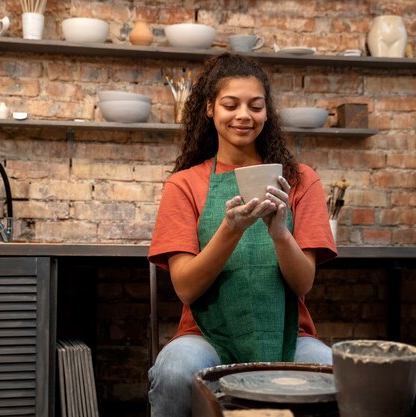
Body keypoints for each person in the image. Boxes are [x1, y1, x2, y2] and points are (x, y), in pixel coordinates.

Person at [147, 52, 337, 417]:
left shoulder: (300, 180)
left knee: (337, 376)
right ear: (209, 109)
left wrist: (280, 232)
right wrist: (230, 230)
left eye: (256, 106)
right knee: (173, 372)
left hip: (287, 337)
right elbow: (186, 288)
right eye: (230, 105)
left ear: (268, 112)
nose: (244, 116)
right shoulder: (184, 185)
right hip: (206, 338)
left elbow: (303, 284)